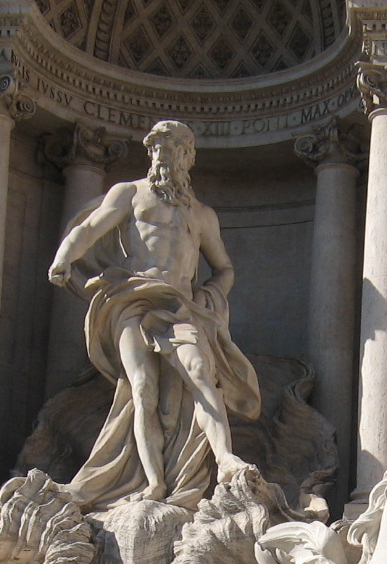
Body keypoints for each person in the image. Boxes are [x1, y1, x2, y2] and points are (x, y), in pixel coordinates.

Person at [46, 120, 260, 510]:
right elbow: (90, 228)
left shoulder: (202, 215)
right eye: (157, 147)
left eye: (172, 147)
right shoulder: (129, 194)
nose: (163, 155)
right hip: (132, 300)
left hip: (179, 306)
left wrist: (210, 296)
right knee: (142, 388)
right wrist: (64, 257)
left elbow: (224, 268)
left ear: (187, 156)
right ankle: (155, 482)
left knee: (201, 374)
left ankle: (226, 460)